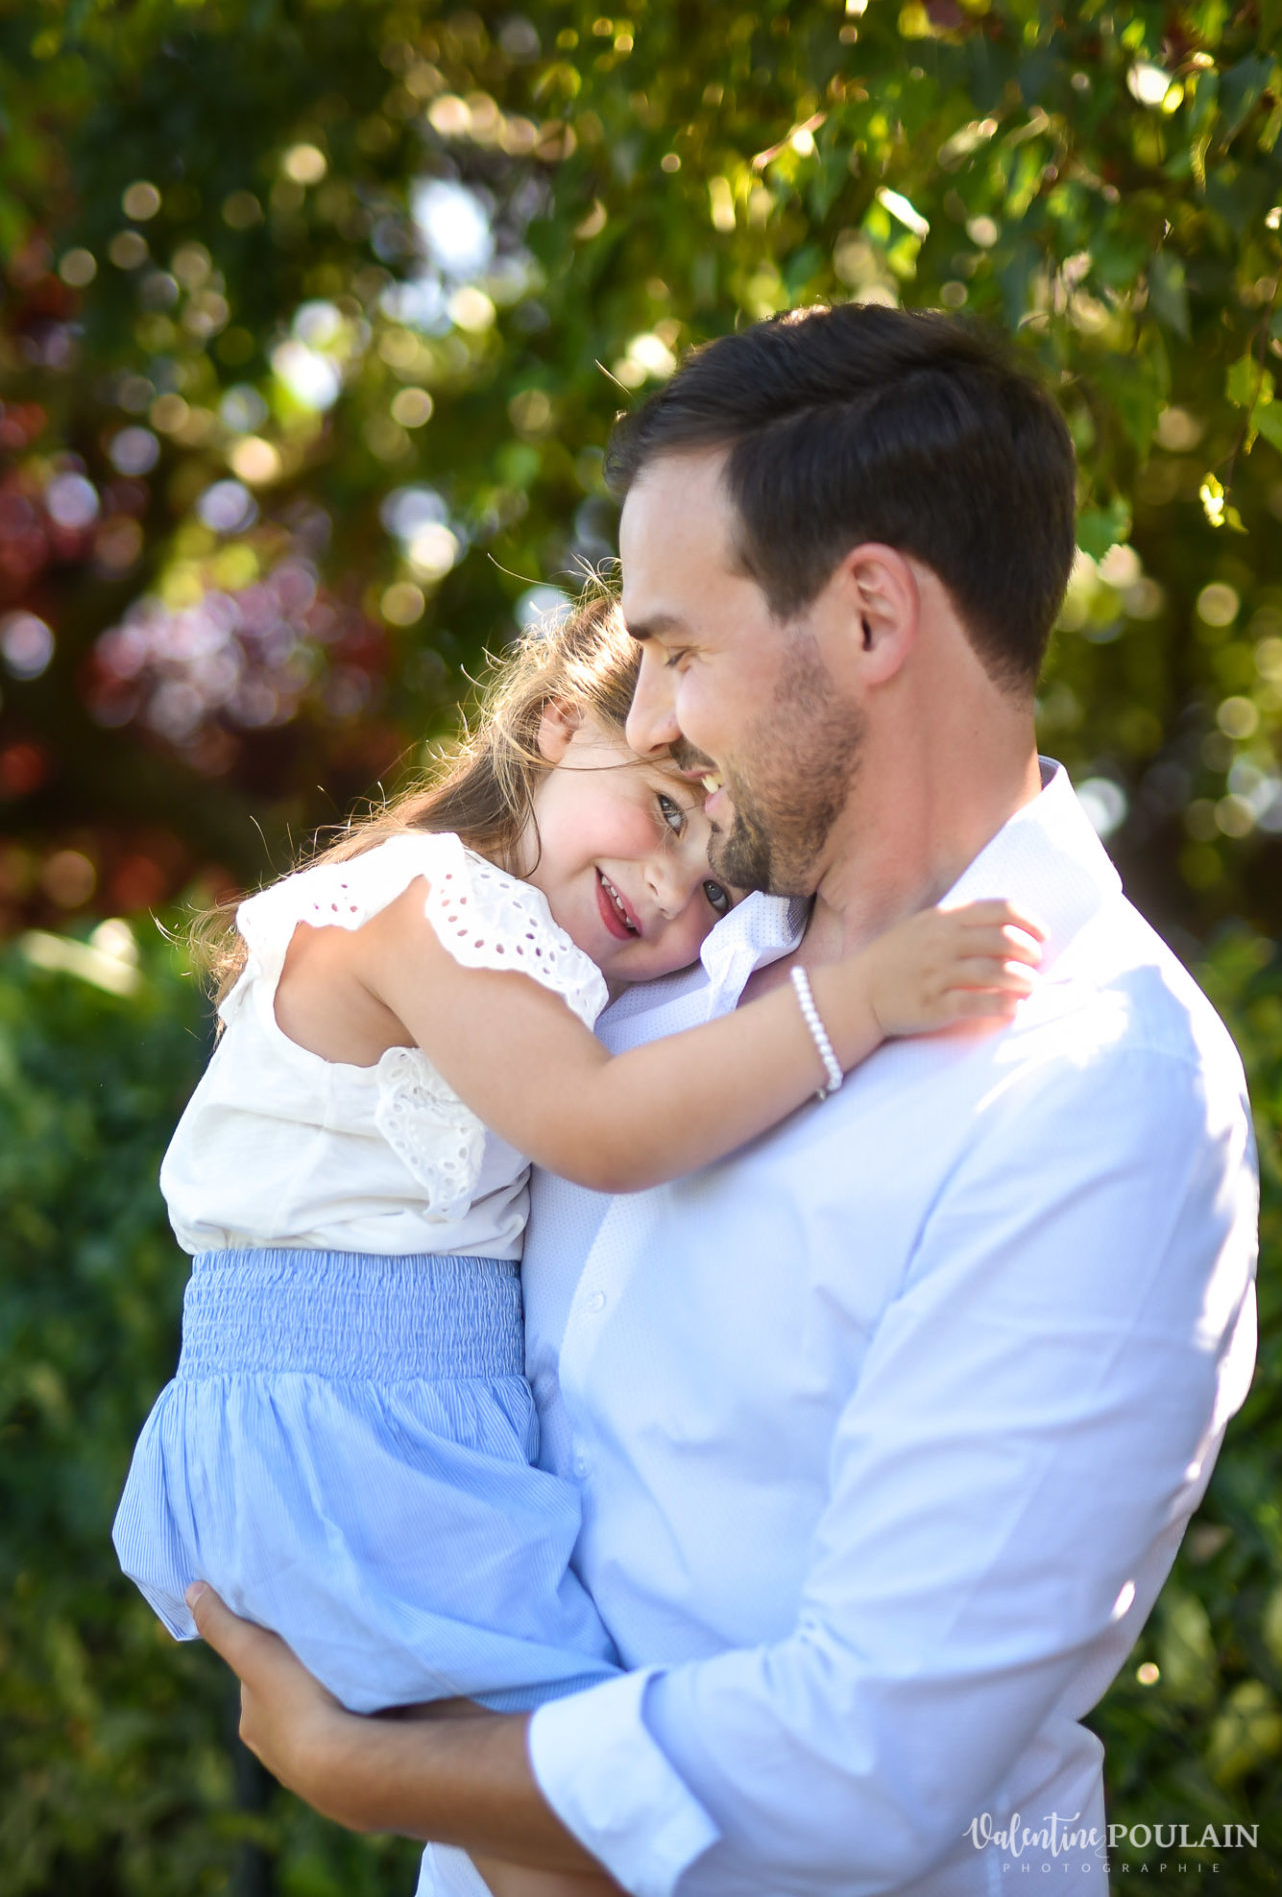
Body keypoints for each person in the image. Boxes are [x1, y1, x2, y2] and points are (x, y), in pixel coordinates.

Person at [187, 303, 1258, 1896]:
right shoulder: (635, 975)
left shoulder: (1094, 1086)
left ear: (872, 618)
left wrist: (373, 1767)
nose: (653, 713)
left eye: (679, 649)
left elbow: (866, 1760)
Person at [113, 591, 1040, 1724]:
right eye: (660, 808)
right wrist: (855, 1001)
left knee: (537, 1814)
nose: (666, 890)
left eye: (715, 890)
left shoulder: (499, 941)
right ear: (556, 728)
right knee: (563, 1797)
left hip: (365, 1421)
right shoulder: (436, 902)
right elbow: (605, 1129)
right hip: (356, 1430)